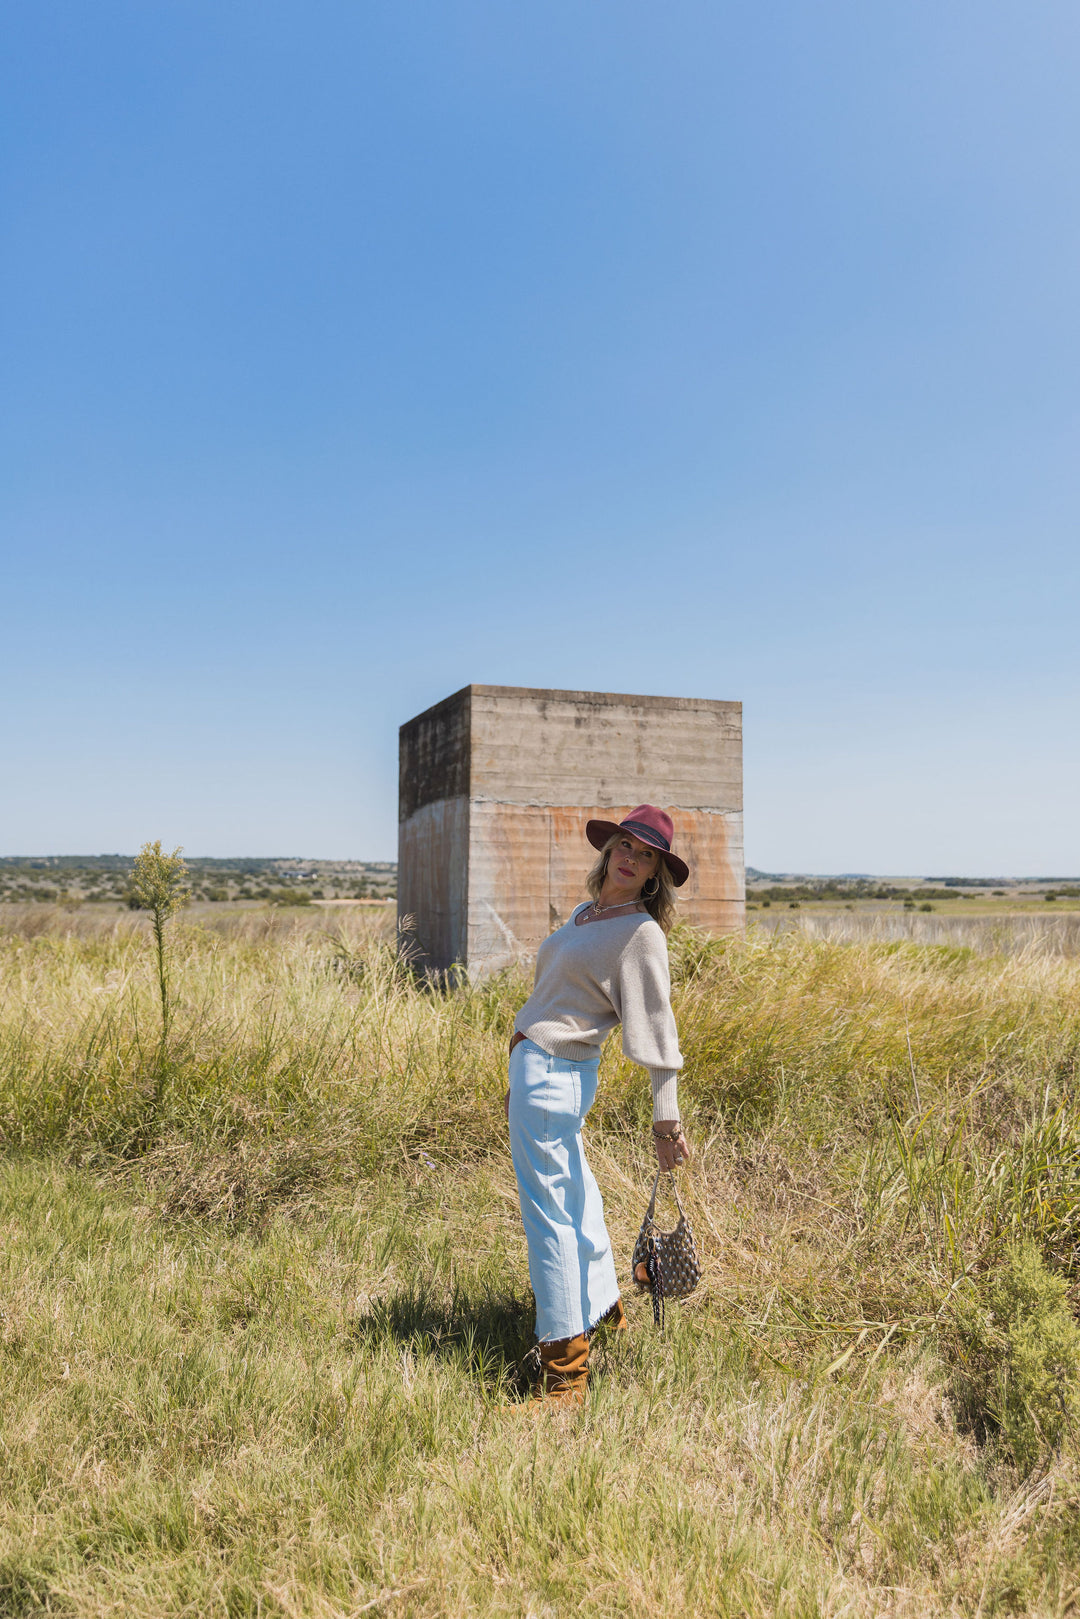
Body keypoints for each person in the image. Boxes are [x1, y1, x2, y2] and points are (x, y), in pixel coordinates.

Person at [504, 804, 692, 1404]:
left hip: (557, 1074)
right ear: (608, 851)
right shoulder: (589, 916)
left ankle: (565, 1370)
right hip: (543, 1072)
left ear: (655, 874)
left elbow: (659, 1033)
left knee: (551, 1219)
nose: (630, 858)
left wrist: (667, 1120)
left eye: (645, 855)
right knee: (578, 1201)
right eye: (623, 845)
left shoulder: (639, 933)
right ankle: (606, 1311)